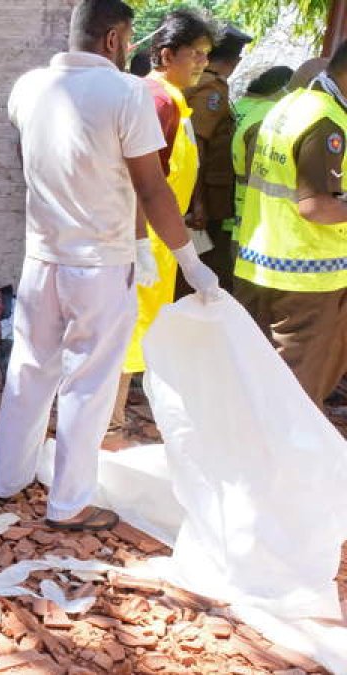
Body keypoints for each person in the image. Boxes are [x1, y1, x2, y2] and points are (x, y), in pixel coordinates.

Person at [0, 0, 219, 532]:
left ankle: (7, 480)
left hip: (42, 256)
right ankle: (68, 504)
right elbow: (151, 187)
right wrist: (188, 259)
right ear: (115, 40)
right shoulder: (126, 93)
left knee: (28, 370)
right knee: (89, 384)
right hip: (99, 264)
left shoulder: (28, 88)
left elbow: (34, 161)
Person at [113, 9, 215, 431]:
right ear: (166, 54)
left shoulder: (173, 103)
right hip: (147, 241)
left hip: (161, 242)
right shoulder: (157, 103)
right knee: (127, 338)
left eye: (207, 55)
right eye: (196, 53)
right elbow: (141, 183)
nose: (203, 63)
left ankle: (112, 420)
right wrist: (140, 244)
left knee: (138, 337)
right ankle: (109, 425)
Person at [233, 44, 347, 407]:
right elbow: (315, 206)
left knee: (253, 378)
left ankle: (247, 454)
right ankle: (280, 462)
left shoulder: (287, 106)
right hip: (307, 278)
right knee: (294, 394)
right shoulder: (327, 122)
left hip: (259, 262)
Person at [184, 25, 253, 291]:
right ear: (235, 60)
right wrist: (198, 202)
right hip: (205, 200)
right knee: (204, 268)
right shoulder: (211, 88)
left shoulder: (202, 82)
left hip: (207, 197)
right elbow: (197, 145)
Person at [231, 66, 294, 240]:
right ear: (284, 86)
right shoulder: (271, 112)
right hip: (253, 204)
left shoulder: (240, 105)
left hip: (227, 190)